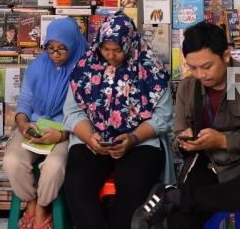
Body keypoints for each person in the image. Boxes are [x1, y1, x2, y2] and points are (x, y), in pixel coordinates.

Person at [132, 21, 240, 228]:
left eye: (206, 66)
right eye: (192, 67)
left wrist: (223, 140)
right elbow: (177, 138)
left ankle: (174, 196)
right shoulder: (188, 88)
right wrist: (184, 141)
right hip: (209, 164)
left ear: (226, 55)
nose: (200, 75)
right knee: (181, 220)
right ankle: (177, 198)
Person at [62, 12, 172, 229]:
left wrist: (132, 138)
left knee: (133, 183)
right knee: (77, 182)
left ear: (129, 44)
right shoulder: (86, 67)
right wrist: (90, 138)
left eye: (118, 50)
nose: (110, 56)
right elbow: (73, 112)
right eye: (105, 49)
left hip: (139, 141)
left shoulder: (151, 69)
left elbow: (163, 116)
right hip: (95, 140)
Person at [3, 18, 87, 229]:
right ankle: (30, 201)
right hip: (35, 125)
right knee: (12, 160)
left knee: (54, 166)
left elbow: (87, 113)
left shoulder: (86, 69)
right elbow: (25, 102)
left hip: (68, 130)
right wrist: (23, 125)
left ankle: (41, 207)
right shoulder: (38, 66)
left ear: (74, 45)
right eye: (51, 49)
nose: (56, 55)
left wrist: (62, 134)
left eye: (62, 49)